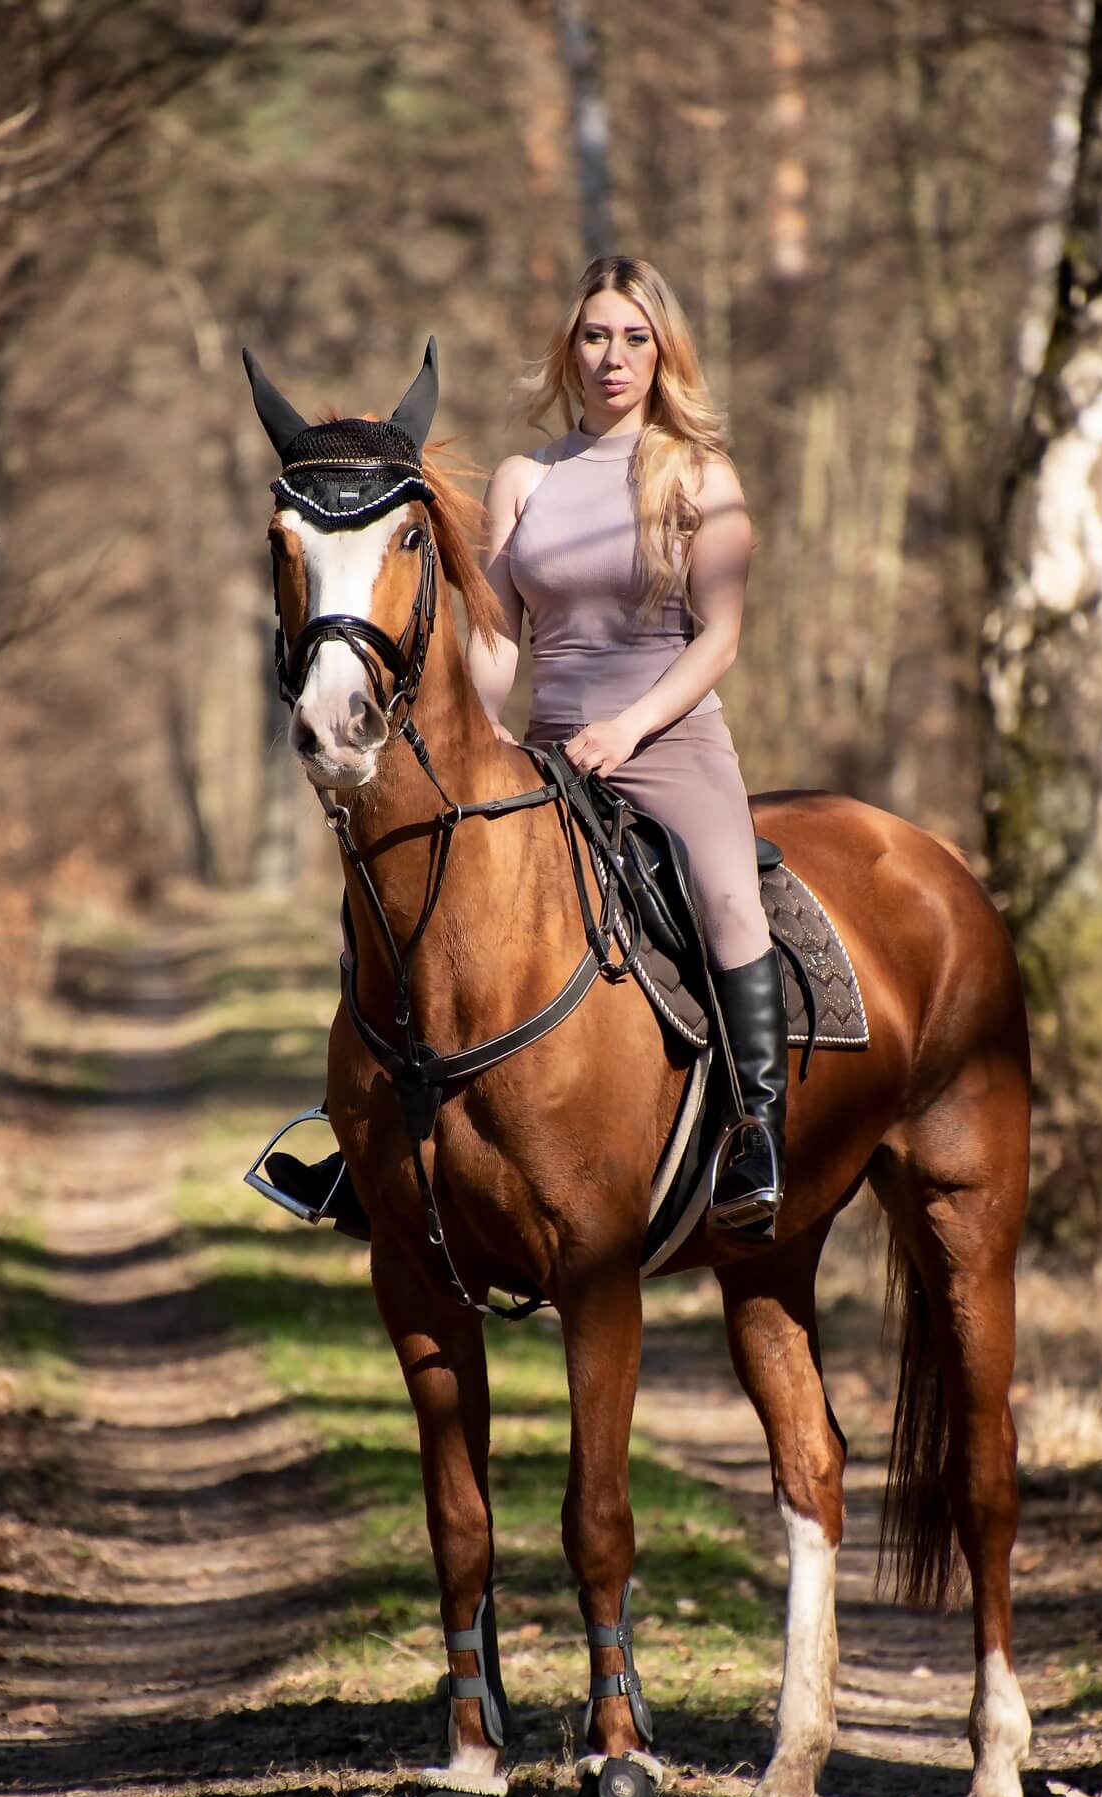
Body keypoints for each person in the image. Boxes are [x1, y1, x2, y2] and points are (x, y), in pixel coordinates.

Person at [267, 256, 787, 1240]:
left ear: (662, 351)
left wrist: (629, 727)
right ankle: (360, 1142)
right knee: (395, 894)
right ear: (569, 349)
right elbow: (498, 635)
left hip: (669, 742)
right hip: (549, 752)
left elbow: (718, 637)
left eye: (634, 338)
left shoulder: (700, 475)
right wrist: (488, 725)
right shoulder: (525, 479)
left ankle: (755, 1132)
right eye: (594, 336)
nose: (612, 357)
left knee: (725, 896)